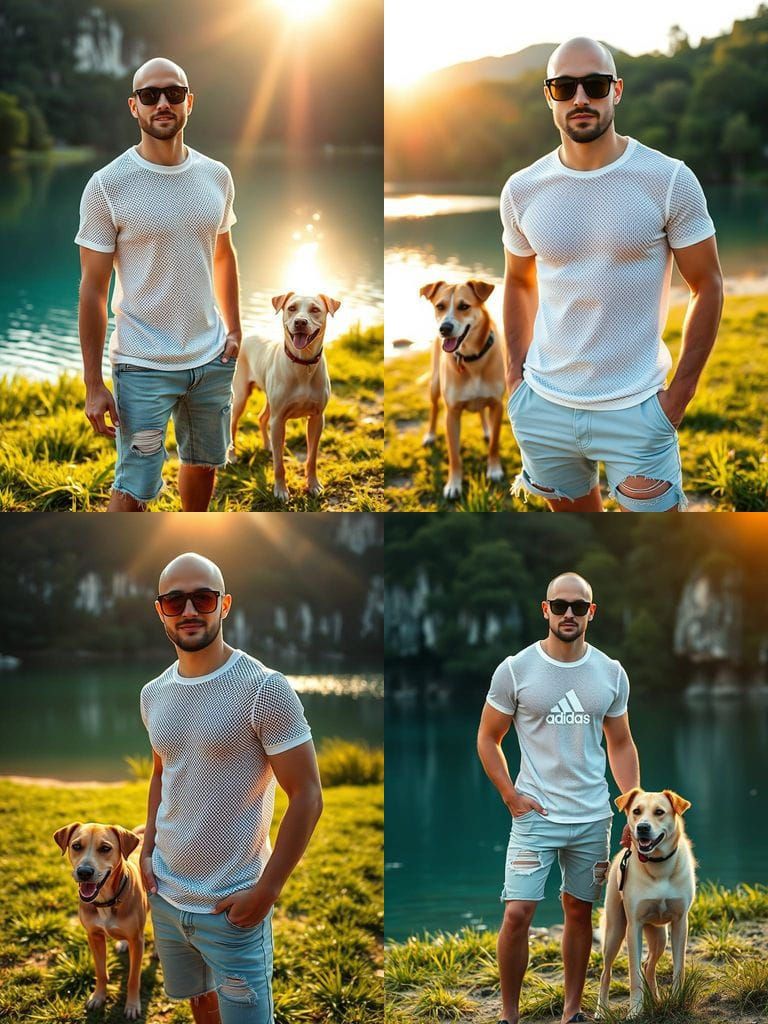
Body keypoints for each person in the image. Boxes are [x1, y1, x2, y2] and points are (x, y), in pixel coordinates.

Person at [501, 37, 724, 511]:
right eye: (565, 87)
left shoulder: (668, 180)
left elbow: (707, 286)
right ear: (549, 96)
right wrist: (514, 381)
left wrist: (678, 399)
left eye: (595, 85)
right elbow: (519, 283)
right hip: (542, 406)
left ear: (616, 91)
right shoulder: (521, 190)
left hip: (638, 411)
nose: (580, 98)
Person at [139, 553, 323, 1023]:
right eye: (174, 600)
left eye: (202, 597)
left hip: (233, 907)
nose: (189, 611)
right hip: (165, 896)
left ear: (225, 604)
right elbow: (164, 774)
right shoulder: (152, 694)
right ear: (160, 609)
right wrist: (146, 850)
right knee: (202, 1007)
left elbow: (307, 796)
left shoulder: (265, 688)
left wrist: (268, 890)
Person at [76, 58, 242, 512]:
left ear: (190, 101)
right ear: (134, 107)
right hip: (142, 366)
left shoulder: (217, 176)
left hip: (211, 360)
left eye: (173, 93)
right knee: (134, 488)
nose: (162, 103)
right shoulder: (107, 185)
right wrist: (93, 383)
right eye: (150, 96)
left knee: (205, 463)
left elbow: (223, 254)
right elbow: (92, 290)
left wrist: (235, 330)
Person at [477, 572, 640, 1024]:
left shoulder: (610, 672)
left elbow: (621, 743)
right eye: (560, 605)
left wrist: (631, 805)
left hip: (592, 817)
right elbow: (488, 738)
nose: (570, 613)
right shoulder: (515, 669)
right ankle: (508, 1016)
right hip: (535, 814)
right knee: (517, 913)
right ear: (545, 609)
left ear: (592, 612)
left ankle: (572, 1012)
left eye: (579, 606)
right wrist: (510, 796)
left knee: (578, 911)